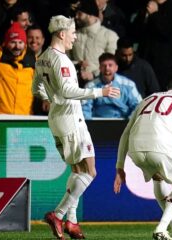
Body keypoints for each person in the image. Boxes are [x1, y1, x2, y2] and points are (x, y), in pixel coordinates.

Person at [32, 15, 120, 240]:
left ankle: (71, 222)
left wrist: (50, 100)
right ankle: (58, 214)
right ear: (62, 34)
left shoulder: (42, 58)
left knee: (77, 171)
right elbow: (67, 91)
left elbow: (36, 88)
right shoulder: (61, 60)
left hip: (56, 118)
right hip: (70, 119)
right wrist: (100, 92)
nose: (74, 37)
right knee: (90, 171)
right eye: (72, 33)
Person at [114, 73, 172, 240]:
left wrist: (120, 166)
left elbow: (126, 133)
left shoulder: (148, 98)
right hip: (160, 146)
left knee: (158, 178)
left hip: (135, 149)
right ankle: (161, 229)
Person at [130, 0, 172, 90]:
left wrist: (154, 14)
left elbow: (169, 34)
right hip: (145, 58)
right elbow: (135, 32)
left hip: (164, 63)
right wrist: (145, 16)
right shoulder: (146, 6)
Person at [70, 0, 119, 86]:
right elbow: (66, 58)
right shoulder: (73, 35)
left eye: (80, 14)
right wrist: (77, 64)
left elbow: (113, 61)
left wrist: (94, 74)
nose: (76, 17)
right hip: (75, 85)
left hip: (101, 85)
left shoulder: (109, 35)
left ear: (89, 15)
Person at [82, 53, 142, 118]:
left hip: (123, 122)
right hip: (98, 122)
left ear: (116, 68)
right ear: (100, 68)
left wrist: (130, 122)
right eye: (104, 66)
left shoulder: (129, 84)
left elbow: (138, 106)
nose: (107, 68)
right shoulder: (90, 86)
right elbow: (85, 108)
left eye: (110, 65)